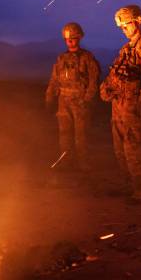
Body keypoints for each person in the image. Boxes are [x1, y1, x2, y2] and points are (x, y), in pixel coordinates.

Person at [100, 4, 141, 204]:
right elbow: (115, 73)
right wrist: (107, 87)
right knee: (119, 149)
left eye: (126, 25)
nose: (124, 30)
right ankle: (130, 187)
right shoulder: (126, 48)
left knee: (132, 148)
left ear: (137, 21)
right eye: (122, 27)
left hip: (132, 105)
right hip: (119, 104)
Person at [46, 22, 100, 172]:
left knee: (81, 136)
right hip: (63, 102)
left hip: (80, 102)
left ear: (79, 38)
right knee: (64, 135)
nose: (70, 41)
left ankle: (83, 164)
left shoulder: (87, 58)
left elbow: (93, 81)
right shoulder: (61, 59)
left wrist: (87, 100)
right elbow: (54, 79)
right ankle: (66, 163)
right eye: (67, 39)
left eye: (73, 38)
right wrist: (49, 97)